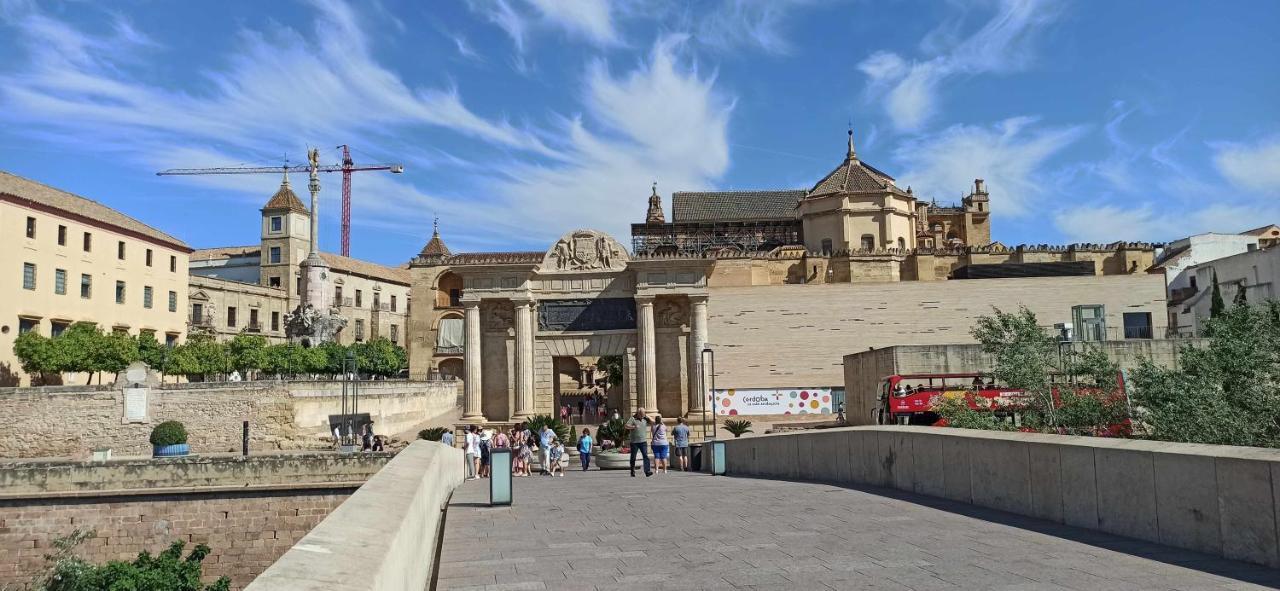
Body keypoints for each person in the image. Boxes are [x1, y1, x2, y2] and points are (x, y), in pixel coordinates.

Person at [624, 407, 653, 477]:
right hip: (634, 442)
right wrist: (633, 427)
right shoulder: (633, 419)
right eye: (642, 414)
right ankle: (632, 471)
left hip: (643, 441)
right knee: (633, 457)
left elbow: (653, 422)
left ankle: (647, 471)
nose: (643, 415)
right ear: (638, 413)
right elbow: (626, 426)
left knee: (645, 456)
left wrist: (647, 416)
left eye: (644, 414)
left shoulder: (645, 419)